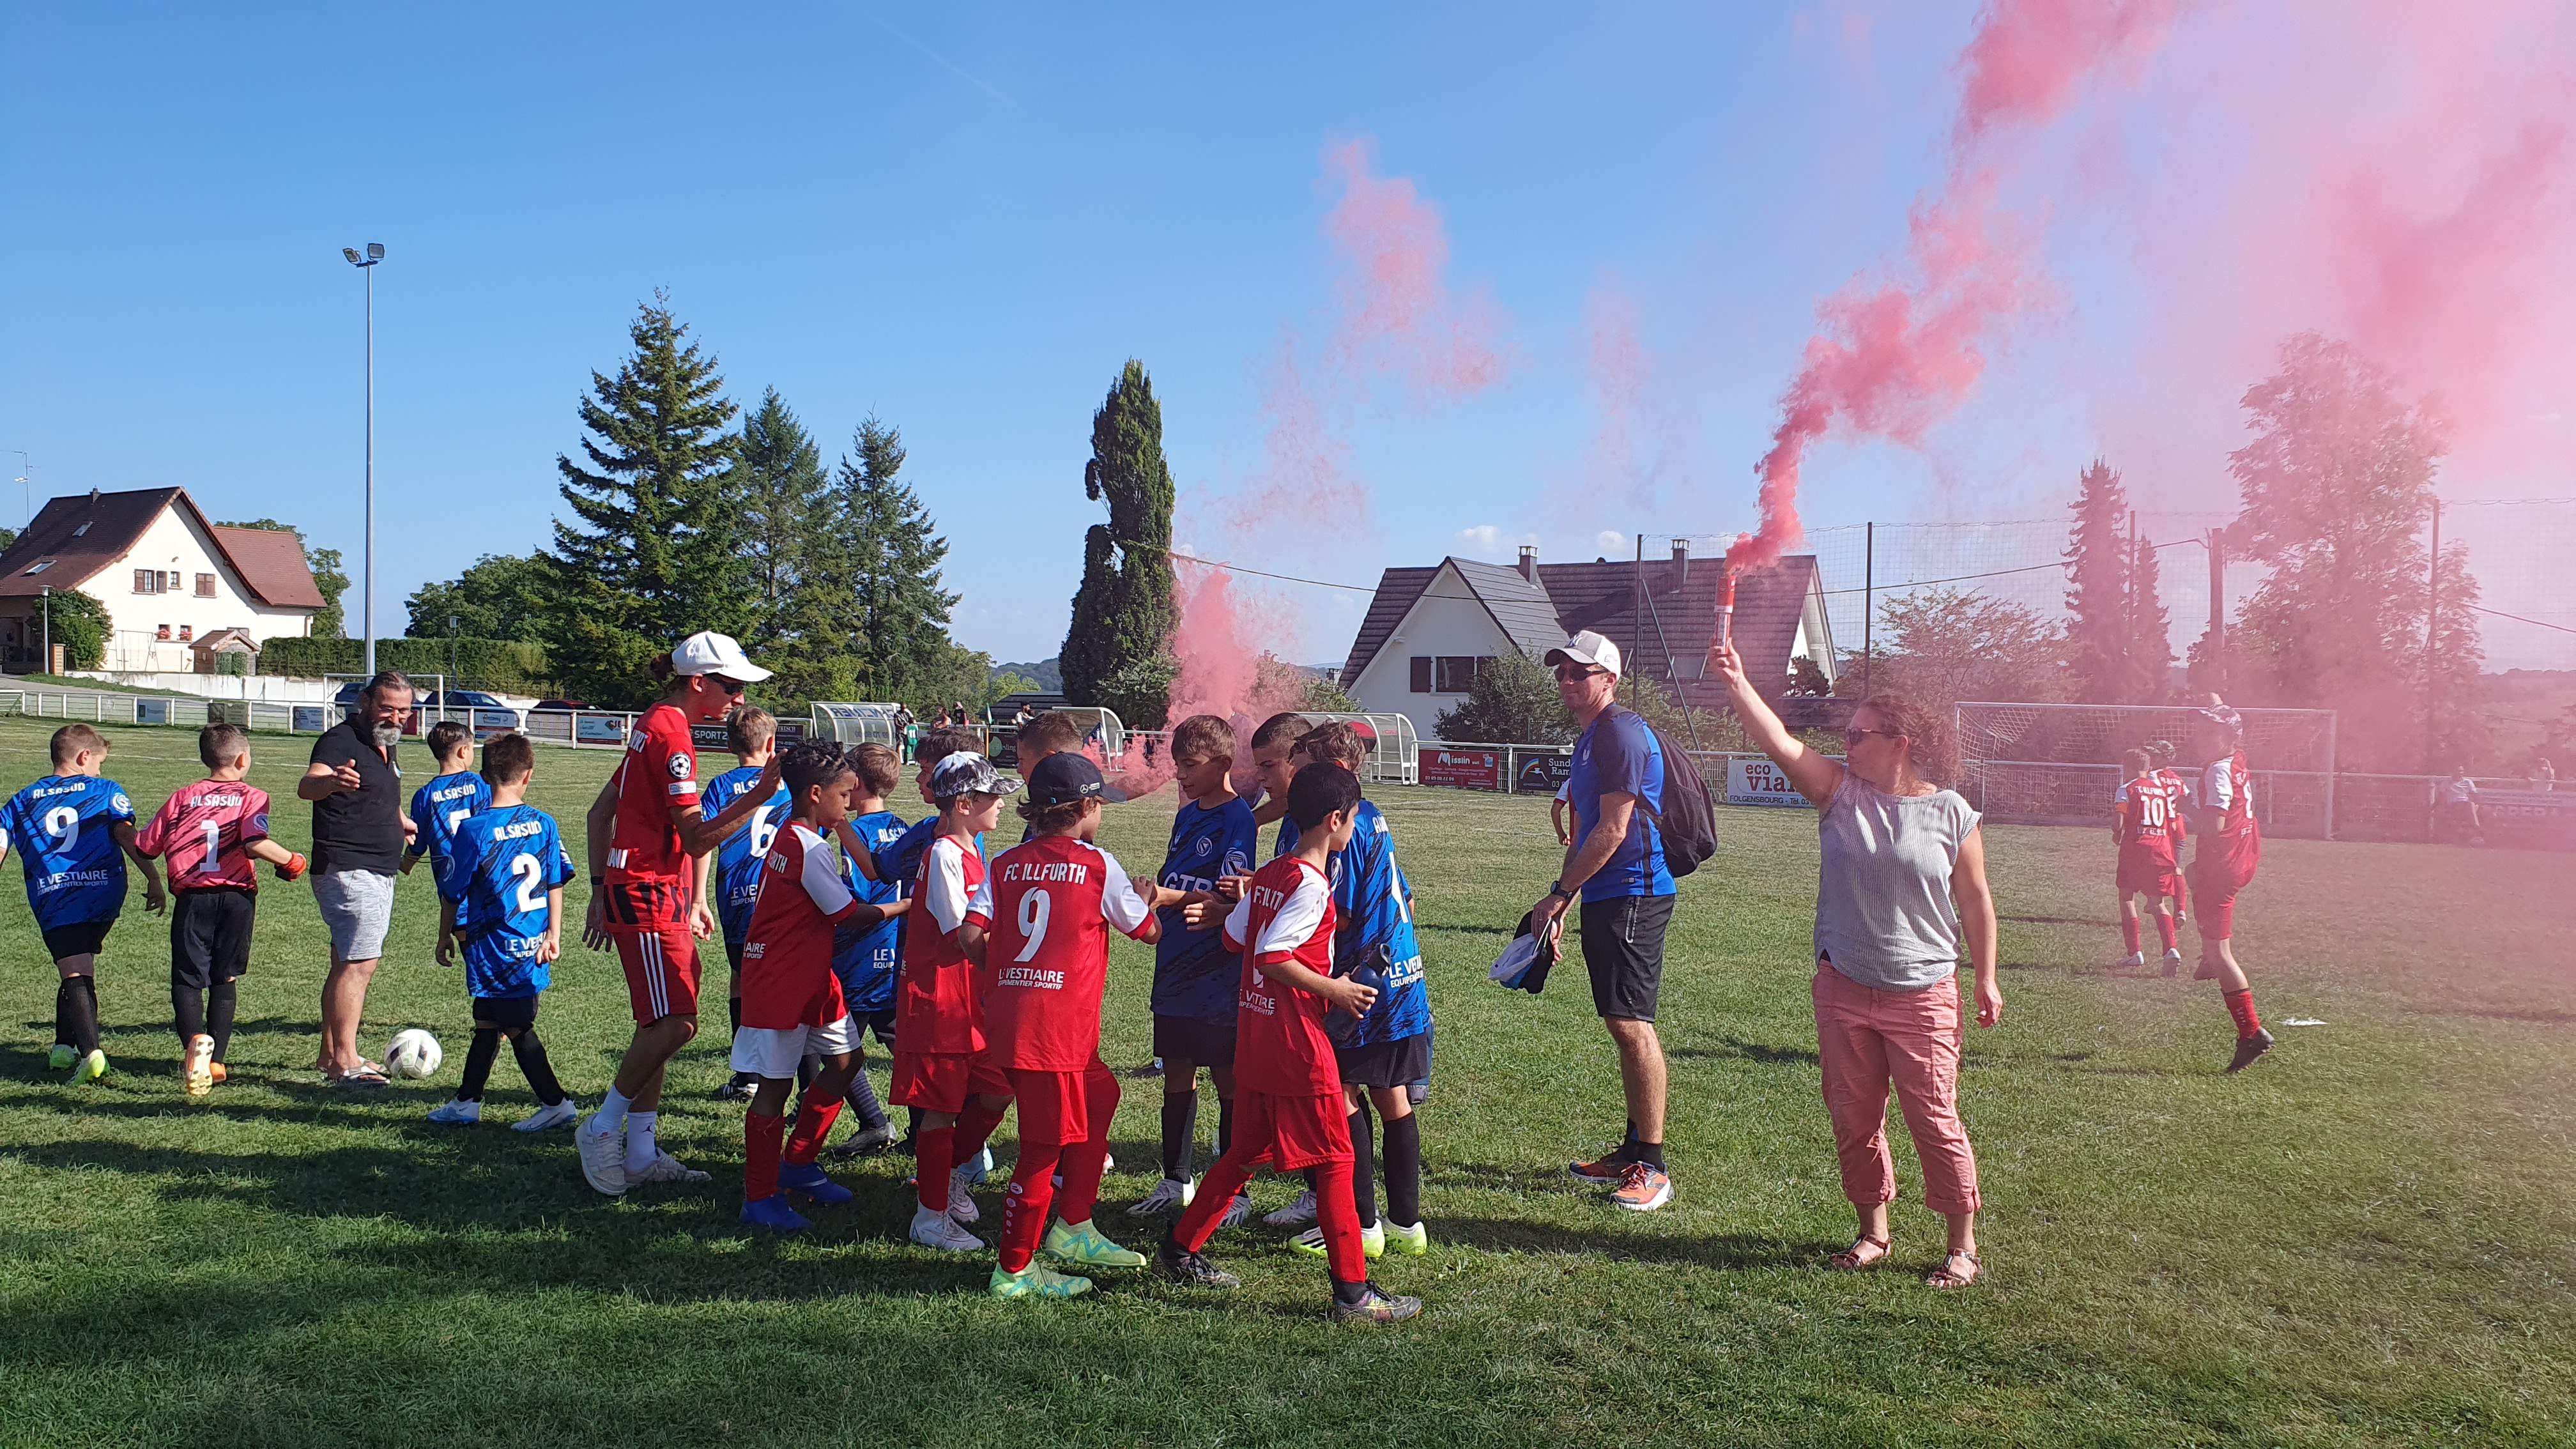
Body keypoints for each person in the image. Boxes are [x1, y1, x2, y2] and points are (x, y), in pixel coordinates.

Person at [1713, 640, 2001, 1289]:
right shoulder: (1839, 794)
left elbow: (1977, 901)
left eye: (1859, 735)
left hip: (1923, 991)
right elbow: (1780, 742)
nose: (1847, 744)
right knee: (1853, 1116)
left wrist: (1985, 976)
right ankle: (1874, 1233)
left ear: (1898, 742)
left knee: (1934, 1118)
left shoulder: (1951, 813)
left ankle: (1962, 1246)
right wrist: (1736, 682)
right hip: (1843, 984)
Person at [1153, 763, 1420, 1324]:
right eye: (1352, 821)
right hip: (1297, 1044)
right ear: (1335, 820)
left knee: (1245, 1154)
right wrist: (1336, 989)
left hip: (1254, 1036)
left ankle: (1179, 1250)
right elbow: (1274, 957)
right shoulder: (1309, 882)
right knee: (1336, 1160)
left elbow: (1233, 938)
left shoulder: (1272, 873)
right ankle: (1353, 1295)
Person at [573, 632, 785, 1197]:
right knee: (677, 1023)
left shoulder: (657, 722)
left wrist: (601, 885)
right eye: (732, 685)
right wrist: (758, 796)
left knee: (661, 1023)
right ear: (699, 682)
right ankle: (601, 1127)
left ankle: (640, 1151)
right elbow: (696, 839)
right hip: (646, 890)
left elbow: (600, 813)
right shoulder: (671, 733)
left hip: (648, 888)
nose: (739, 698)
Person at [960, 751, 1174, 1298]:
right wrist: (1147, 900)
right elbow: (1147, 932)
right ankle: (1014, 1271)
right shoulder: (1097, 863)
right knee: (1040, 1150)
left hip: (1015, 1018)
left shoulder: (1005, 863)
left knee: (1100, 1096)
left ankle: (1074, 1226)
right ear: (1087, 807)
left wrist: (1009, 972)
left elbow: (968, 938)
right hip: (1052, 1031)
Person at [1526, 631, 1678, 1212]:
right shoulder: (1593, 737)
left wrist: (1563, 892)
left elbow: (1614, 832)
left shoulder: (1619, 733)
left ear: (1608, 679)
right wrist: (1559, 901)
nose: (1567, 681)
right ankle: (1633, 1148)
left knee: (1632, 1023)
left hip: (1636, 892)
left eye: (1578, 673)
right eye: (1561, 672)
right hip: (1609, 894)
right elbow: (1588, 829)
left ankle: (1653, 1167)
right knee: (1621, 1021)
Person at [732, 743, 907, 1232]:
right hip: (782, 978)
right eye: (844, 795)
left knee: (846, 1061)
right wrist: (908, 904)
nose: (851, 803)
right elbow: (850, 915)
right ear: (815, 793)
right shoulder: (805, 847)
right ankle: (760, 1195)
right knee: (774, 1088)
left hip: (813, 975)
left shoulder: (806, 835)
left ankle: (800, 1163)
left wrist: (844, 827)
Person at [1276, 721, 1432, 1259]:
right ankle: (1407, 1224)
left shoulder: (1337, 825)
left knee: (1341, 1095)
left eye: (1301, 763)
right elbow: (1404, 899)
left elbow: (1331, 910)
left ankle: (1361, 1225)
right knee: (1391, 1097)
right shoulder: (1374, 815)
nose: (1293, 773)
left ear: (1331, 770)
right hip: (1402, 973)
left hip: (1360, 984)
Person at [1130, 714, 1257, 1224]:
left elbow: (1227, 897)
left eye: (1190, 765)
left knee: (1228, 1077)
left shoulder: (1238, 819)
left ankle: (1236, 1192)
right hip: (1176, 960)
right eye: (1177, 764)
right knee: (1177, 1071)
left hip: (1216, 967)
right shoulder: (1187, 814)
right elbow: (1174, 874)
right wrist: (1149, 897)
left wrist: (1167, 896)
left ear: (1223, 764)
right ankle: (1175, 1179)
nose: (1181, 775)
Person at [890, 751, 1020, 1252]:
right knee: (941, 1110)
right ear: (964, 804)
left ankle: (948, 1179)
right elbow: (958, 934)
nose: (1001, 805)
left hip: (968, 999)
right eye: (993, 797)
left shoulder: (969, 850)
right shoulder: (944, 853)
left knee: (999, 1088)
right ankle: (929, 1216)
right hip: (939, 1000)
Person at [132, 724, 305, 1095]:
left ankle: (195, 1042)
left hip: (194, 897)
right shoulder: (252, 796)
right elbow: (255, 841)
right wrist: (291, 861)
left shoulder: (181, 797)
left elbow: (145, 846)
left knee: (187, 979)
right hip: (238, 898)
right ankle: (217, 1060)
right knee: (225, 978)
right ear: (242, 759)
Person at [424, 732, 578, 1130]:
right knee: (487, 1019)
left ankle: (556, 1103)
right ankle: (467, 1100)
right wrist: (554, 933)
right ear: (528, 775)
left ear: (484, 774)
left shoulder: (474, 830)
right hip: (533, 940)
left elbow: (452, 893)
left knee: (515, 1024)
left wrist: (444, 935)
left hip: (494, 944)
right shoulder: (544, 823)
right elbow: (556, 881)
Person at [3, 723, 167, 1082]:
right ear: (83, 757)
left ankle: (92, 1053)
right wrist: (153, 877)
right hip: (104, 893)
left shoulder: (20, 800)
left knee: (75, 970)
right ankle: (63, 1047)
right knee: (77, 962)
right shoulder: (106, 791)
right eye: (99, 763)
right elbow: (126, 835)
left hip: (56, 893)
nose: (100, 771)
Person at [299, 670, 417, 1087]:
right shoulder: (340, 740)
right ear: (365, 701)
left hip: (374, 865)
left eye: (404, 710)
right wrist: (331, 781)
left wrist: (399, 821)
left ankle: (330, 1054)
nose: (396, 717)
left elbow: (379, 795)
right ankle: (346, 1064)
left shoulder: (386, 742)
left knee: (343, 963)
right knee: (359, 965)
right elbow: (307, 785)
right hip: (350, 868)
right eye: (387, 708)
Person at [815, 742, 910, 1156]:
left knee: (835, 1049)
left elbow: (853, 902)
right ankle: (923, 1133)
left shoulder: (855, 835)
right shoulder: (905, 828)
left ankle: (874, 1123)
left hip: (857, 963)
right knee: (909, 1050)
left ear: (857, 783)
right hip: (896, 961)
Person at [697, 705, 789, 1100]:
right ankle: (786, 1075)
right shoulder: (787, 785)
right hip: (783, 900)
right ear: (772, 744)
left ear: (730, 744)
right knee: (784, 984)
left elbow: (702, 843)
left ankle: (748, 1075)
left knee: (742, 979)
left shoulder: (720, 786)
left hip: (737, 898)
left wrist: (697, 898)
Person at [2184, 705, 2273, 1072]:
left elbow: (2214, 825)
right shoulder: (2236, 759)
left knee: (2221, 953)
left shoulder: (2219, 770)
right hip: (2242, 856)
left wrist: (2184, 804)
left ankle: (2252, 1034)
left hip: (2224, 866)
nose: (2201, 738)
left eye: (2210, 732)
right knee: (2190, 871)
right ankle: (2209, 957)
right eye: (2200, 730)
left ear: (2230, 738)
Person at [403, 720, 491, 972]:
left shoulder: (425, 795)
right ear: (464, 751)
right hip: (487, 883)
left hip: (454, 895)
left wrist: (405, 865)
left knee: (475, 965)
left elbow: (416, 845)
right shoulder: (481, 786)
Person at [2110, 747, 2184, 975]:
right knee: (2157, 903)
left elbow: (2118, 823)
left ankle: (2134, 952)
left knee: (2127, 897)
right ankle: (2171, 950)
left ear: (2128, 767)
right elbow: (2172, 825)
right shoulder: (2161, 792)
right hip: (2162, 851)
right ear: (2149, 768)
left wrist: (2116, 833)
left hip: (2136, 849)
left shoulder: (2126, 789)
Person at [2435, 766, 2483, 845]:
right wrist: (2434, 807)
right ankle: (2477, 832)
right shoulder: (2447, 782)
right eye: (2458, 771)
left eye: (2461, 771)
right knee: (2469, 807)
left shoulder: (2468, 782)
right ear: (2453, 772)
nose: (2460, 773)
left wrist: (2477, 805)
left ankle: (2472, 834)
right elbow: (2441, 796)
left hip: (2466, 805)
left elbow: (2475, 795)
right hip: (2454, 805)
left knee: (2471, 805)